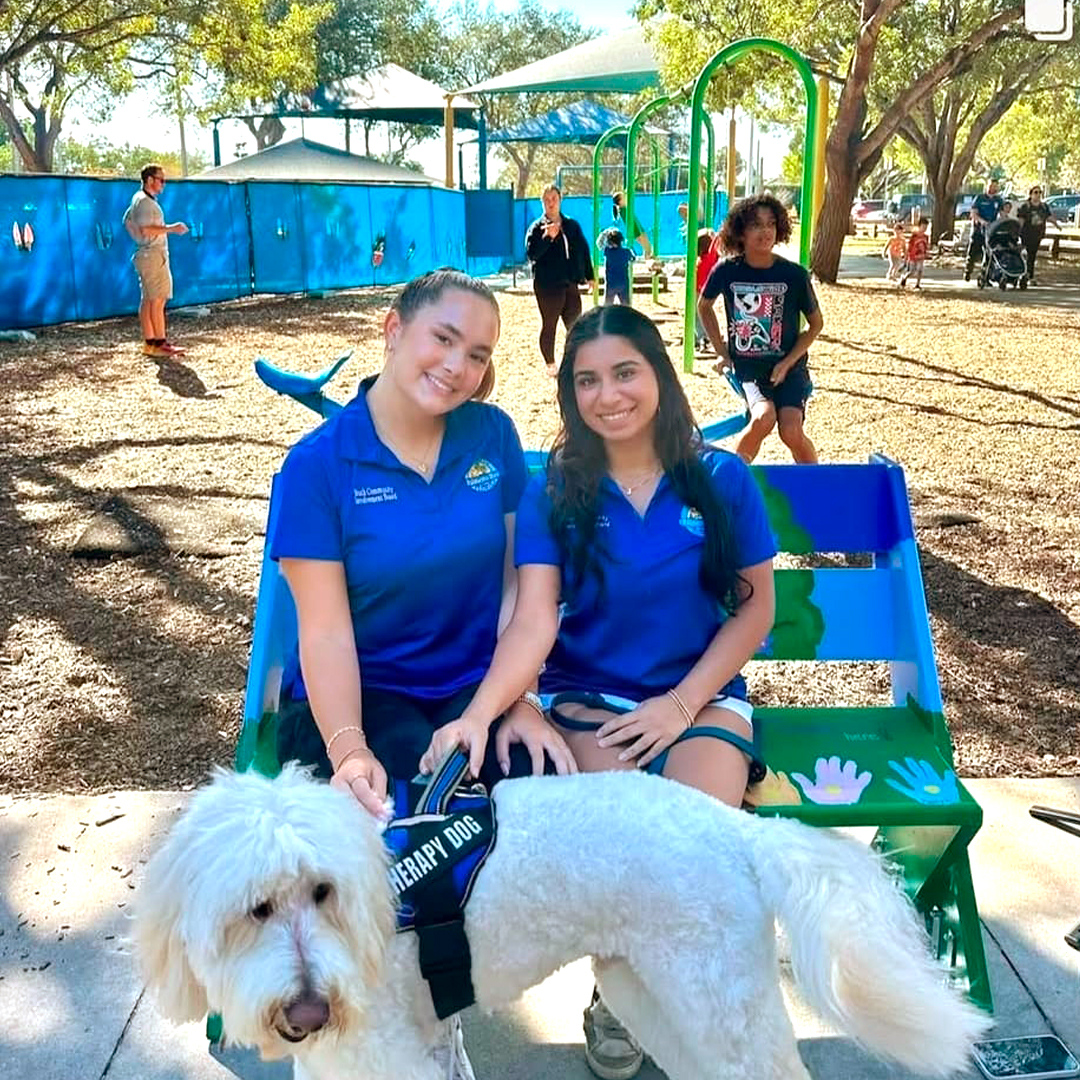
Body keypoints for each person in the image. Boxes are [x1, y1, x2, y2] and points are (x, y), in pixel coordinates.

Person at [421, 303, 777, 1080]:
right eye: (586, 381)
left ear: (659, 375)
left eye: (624, 373)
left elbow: (756, 609)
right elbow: (535, 618)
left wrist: (682, 708)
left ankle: (669, 1000)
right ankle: (617, 995)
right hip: (589, 700)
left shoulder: (720, 478)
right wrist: (491, 710)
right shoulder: (557, 490)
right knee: (619, 856)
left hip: (701, 700)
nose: (608, 395)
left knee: (696, 843)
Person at [697, 194, 822, 464]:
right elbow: (704, 306)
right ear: (740, 232)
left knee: (791, 431)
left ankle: (816, 483)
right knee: (763, 417)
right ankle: (731, 483)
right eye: (755, 225)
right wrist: (722, 352)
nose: (765, 231)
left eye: (771, 224)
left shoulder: (794, 275)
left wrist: (788, 362)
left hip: (790, 368)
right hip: (750, 368)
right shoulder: (726, 271)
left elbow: (816, 324)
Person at [526, 185, 595, 377]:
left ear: (560, 200)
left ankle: (574, 361)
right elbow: (532, 254)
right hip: (547, 286)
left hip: (570, 283)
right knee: (550, 324)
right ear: (542, 203)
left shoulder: (572, 225)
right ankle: (550, 364)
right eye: (547, 200)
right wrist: (548, 237)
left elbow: (583, 250)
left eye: (554, 199)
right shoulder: (536, 228)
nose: (550, 203)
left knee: (575, 324)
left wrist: (590, 276)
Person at [122, 164, 189, 358]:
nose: (163, 184)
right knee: (158, 300)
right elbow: (146, 229)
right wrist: (171, 228)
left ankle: (150, 343)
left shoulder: (137, 199)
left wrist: (139, 241)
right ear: (150, 180)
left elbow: (126, 221)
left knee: (148, 300)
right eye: (161, 180)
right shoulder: (145, 203)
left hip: (145, 254)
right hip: (153, 255)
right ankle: (160, 343)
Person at [964, 178, 1003, 280]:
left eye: (995, 186)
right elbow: (973, 213)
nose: (993, 188)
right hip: (979, 229)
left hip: (991, 230)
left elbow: (1002, 213)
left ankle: (986, 275)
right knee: (973, 251)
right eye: (991, 186)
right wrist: (982, 221)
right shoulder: (980, 198)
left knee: (989, 253)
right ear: (987, 186)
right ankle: (968, 270)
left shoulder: (998, 200)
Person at [1017, 185, 1055, 284]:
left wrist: (1057, 225)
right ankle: (1024, 274)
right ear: (1031, 194)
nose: (1038, 195)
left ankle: (1029, 275)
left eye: (1039, 192)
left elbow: (1049, 217)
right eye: (1035, 192)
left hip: (1038, 234)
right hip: (1026, 234)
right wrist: (1017, 232)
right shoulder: (1025, 206)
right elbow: (1021, 220)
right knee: (1027, 255)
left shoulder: (1043, 206)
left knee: (1032, 256)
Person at [694, 228, 722, 350]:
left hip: (698, 290)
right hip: (705, 290)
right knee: (702, 313)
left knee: (697, 314)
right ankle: (702, 337)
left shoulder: (700, 261)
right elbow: (717, 243)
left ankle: (701, 337)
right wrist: (715, 234)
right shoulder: (711, 257)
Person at [612, 191, 653, 259]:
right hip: (636, 230)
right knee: (647, 247)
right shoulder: (623, 210)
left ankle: (648, 261)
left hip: (638, 228)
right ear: (620, 201)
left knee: (647, 247)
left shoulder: (624, 208)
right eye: (623, 197)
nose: (625, 198)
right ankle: (648, 262)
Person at [599, 228, 634, 306]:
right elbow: (633, 258)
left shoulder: (607, 251)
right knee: (626, 306)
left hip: (611, 283)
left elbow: (599, 244)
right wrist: (631, 247)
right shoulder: (626, 252)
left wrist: (604, 233)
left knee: (607, 306)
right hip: (623, 283)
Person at [900, 218, 929, 289]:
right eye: (923, 227)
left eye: (926, 227)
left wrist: (926, 252)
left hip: (921, 256)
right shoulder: (914, 236)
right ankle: (904, 277)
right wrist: (907, 255)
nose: (924, 229)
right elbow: (910, 245)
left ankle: (917, 284)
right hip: (913, 256)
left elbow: (926, 245)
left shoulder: (926, 237)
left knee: (920, 269)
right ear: (919, 226)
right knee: (912, 271)